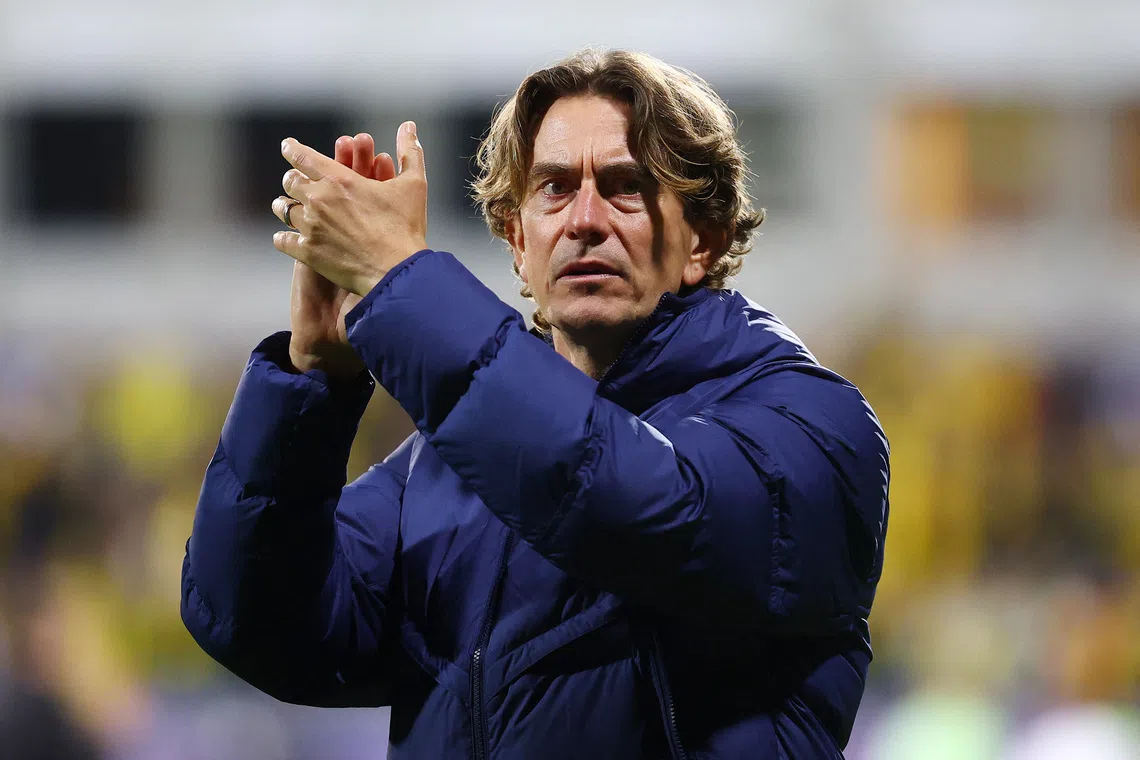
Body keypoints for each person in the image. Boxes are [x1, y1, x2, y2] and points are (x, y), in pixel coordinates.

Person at [181, 48, 890, 759]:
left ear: (701, 241)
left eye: (624, 187)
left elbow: (618, 498)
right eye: (553, 188)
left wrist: (404, 286)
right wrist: (313, 382)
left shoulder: (811, 427)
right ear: (518, 242)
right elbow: (258, 623)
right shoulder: (440, 467)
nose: (584, 219)